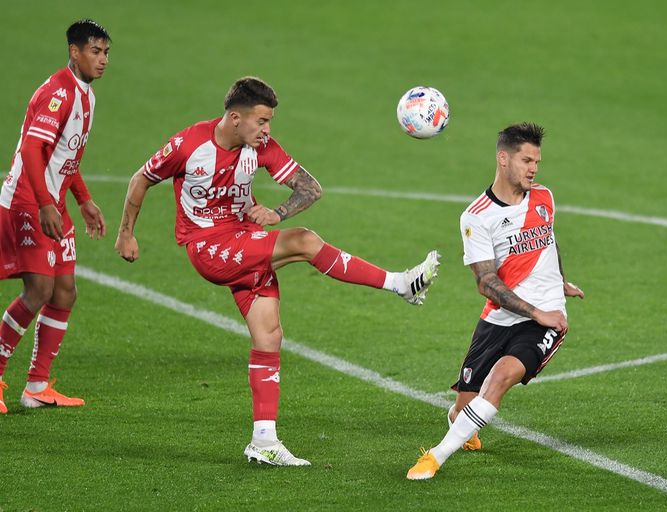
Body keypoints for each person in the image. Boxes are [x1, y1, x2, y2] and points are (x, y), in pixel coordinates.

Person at [114, 76, 440, 466]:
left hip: (244, 239)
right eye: (261, 121)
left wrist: (277, 212)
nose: (267, 130)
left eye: (269, 122)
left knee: (269, 336)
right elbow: (141, 178)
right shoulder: (188, 145)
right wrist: (126, 235)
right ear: (235, 118)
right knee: (303, 241)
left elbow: (311, 189)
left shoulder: (261, 148)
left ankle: (263, 440)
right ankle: (400, 284)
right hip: (208, 247)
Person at [406, 122, 584, 480]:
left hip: (546, 318)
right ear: (503, 159)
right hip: (501, 315)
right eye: (526, 160)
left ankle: (435, 457)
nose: (533, 168)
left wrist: (558, 284)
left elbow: (550, 239)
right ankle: (462, 429)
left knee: (500, 378)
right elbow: (486, 283)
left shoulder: (544, 197)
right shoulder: (477, 216)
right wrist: (535, 310)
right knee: (461, 413)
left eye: (536, 161)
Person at [0, 20, 110, 415]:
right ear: (74, 51)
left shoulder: (86, 96)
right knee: (39, 291)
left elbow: (66, 156)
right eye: (94, 51)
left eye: (106, 52)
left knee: (65, 292)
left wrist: (83, 199)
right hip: (29, 199)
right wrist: (46, 203)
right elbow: (33, 151)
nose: (102, 60)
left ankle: (36, 385)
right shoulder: (56, 93)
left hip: (53, 200)